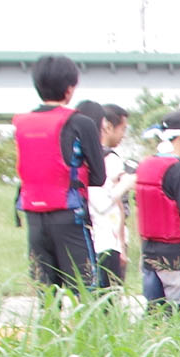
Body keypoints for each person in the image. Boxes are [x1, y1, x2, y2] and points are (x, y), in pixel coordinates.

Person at [14, 56, 106, 291]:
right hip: (70, 217)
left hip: (34, 218)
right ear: (69, 89)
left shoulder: (22, 124)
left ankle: (47, 329)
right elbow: (99, 176)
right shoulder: (81, 123)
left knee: (46, 295)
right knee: (85, 292)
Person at [131, 110, 180, 310]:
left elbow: (140, 212)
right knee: (179, 314)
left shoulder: (145, 165)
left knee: (155, 314)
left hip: (149, 252)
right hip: (176, 257)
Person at [80, 101, 134, 285]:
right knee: (109, 295)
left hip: (85, 237)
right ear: (107, 126)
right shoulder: (110, 159)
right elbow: (111, 204)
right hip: (106, 239)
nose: (123, 135)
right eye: (123, 129)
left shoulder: (81, 156)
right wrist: (127, 182)